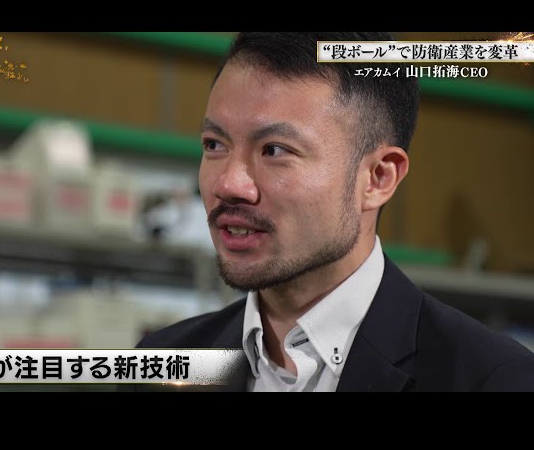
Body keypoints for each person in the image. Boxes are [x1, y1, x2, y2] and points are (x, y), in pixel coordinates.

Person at [135, 32, 534, 392]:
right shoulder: (163, 362)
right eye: (214, 145)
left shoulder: (492, 380)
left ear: (378, 178)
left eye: (274, 150)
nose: (228, 184)